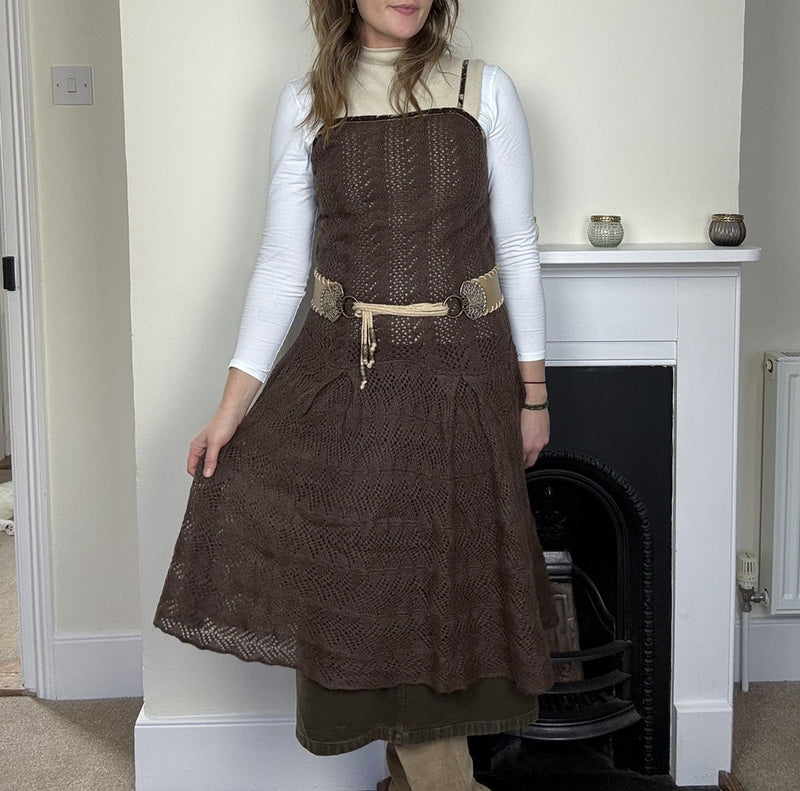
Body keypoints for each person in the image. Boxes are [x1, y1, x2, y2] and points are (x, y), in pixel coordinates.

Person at [153, 1, 558, 788]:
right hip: (349, 382)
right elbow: (283, 265)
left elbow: (516, 244)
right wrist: (230, 410)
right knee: (375, 588)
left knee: (442, 583)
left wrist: (533, 394)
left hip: (464, 380)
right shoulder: (308, 103)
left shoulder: (485, 90)